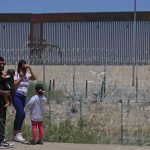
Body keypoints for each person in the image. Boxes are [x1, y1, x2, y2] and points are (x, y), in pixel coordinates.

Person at [12, 60, 36, 143]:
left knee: (18, 114)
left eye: (25, 67)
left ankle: (14, 134)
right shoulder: (16, 74)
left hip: (23, 97)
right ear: (20, 67)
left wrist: (30, 68)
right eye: (23, 67)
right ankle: (18, 133)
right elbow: (14, 84)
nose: (24, 69)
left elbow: (34, 77)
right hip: (17, 95)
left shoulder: (27, 74)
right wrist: (21, 78)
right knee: (22, 113)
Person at [0, 56, 14, 148]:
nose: (2, 65)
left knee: (2, 120)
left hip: (2, 102)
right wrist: (3, 92)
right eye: (0, 63)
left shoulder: (1, 74)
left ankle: (1, 139)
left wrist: (8, 98)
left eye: (3, 63)